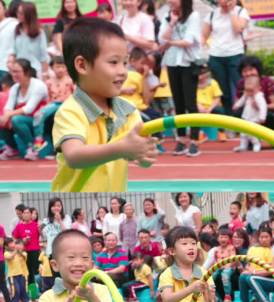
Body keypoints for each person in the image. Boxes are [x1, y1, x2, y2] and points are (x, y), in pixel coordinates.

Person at [51, 18, 157, 191]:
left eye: (125, 62)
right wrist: (122, 148)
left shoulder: (128, 112)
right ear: (82, 65)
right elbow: (74, 156)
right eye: (114, 62)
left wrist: (144, 154)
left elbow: (140, 158)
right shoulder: (70, 111)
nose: (123, 71)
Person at [159, 0, 203, 157]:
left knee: (191, 104)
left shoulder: (194, 16)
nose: (171, 1)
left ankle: (195, 141)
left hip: (188, 63)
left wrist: (169, 43)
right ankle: (181, 139)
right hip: (172, 62)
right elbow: (161, 39)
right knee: (178, 104)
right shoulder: (167, 16)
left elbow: (188, 41)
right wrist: (172, 23)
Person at [201, 0, 250, 116]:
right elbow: (203, 35)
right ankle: (229, 121)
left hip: (235, 55)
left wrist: (232, 11)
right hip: (216, 56)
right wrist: (202, 50)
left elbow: (238, 29)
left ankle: (242, 119)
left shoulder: (241, 12)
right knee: (223, 91)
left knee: (240, 88)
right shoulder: (212, 14)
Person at [0, 59, 48, 161]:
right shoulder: (15, 88)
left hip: (39, 122)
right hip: (25, 120)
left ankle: (32, 148)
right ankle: (12, 148)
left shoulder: (38, 86)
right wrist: (6, 117)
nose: (13, 74)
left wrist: (9, 115)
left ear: (27, 72)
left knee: (16, 119)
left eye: (17, 72)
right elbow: (8, 107)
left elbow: (29, 109)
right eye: (12, 71)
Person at [232, 227, 274, 302]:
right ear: (258, 238)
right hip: (259, 278)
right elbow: (247, 265)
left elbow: (272, 270)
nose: (264, 239)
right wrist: (249, 269)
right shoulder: (254, 249)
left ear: (271, 238)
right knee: (243, 276)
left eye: (266, 237)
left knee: (251, 278)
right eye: (261, 237)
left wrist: (254, 272)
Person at [13, 2, 49, 79]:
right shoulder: (17, 30)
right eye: (18, 12)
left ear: (29, 15)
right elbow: (14, 52)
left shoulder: (39, 32)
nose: (18, 15)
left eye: (21, 13)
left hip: (35, 71)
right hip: (20, 71)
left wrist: (45, 74)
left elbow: (44, 56)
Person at [232, 75, 266, 152]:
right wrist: (236, 105)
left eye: (251, 91)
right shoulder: (247, 94)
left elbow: (263, 107)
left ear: (258, 88)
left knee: (252, 134)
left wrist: (262, 117)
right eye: (247, 90)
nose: (249, 93)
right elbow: (242, 100)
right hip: (246, 117)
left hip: (254, 119)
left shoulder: (259, 96)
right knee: (243, 133)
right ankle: (243, 145)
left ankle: (256, 144)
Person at [12, 207, 41, 287]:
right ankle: (31, 291)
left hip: (35, 251)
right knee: (27, 272)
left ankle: (39, 289)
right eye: (24, 213)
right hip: (23, 252)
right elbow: (15, 239)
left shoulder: (36, 225)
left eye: (28, 213)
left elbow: (42, 236)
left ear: (31, 214)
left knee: (36, 271)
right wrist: (22, 241)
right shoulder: (19, 226)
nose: (26, 214)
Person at [5, 238, 29, 302]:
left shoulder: (24, 253)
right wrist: (16, 250)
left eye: (21, 245)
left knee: (23, 288)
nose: (13, 245)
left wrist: (19, 251)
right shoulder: (6, 253)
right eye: (11, 243)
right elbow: (10, 257)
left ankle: (25, 301)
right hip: (12, 275)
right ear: (7, 246)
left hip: (22, 274)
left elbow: (24, 256)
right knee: (16, 289)